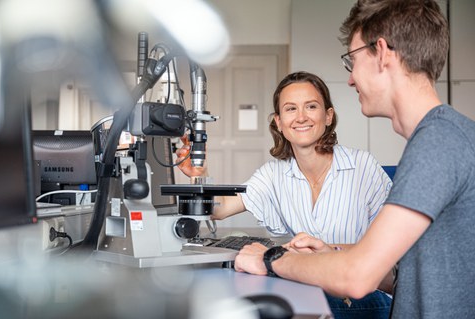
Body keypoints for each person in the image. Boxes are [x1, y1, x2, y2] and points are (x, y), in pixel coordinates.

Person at [234, 0, 475, 318]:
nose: (350, 79)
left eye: (352, 61)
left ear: (383, 54)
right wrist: (328, 253)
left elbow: (357, 278)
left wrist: (270, 258)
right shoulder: (444, 136)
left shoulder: (437, 143)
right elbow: (401, 275)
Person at [177, 71, 393, 318]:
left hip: (364, 291)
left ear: (328, 116)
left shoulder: (362, 166)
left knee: (265, 299)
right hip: (311, 284)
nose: (301, 117)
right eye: (290, 109)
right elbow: (220, 208)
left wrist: (321, 255)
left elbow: (391, 249)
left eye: (311, 106)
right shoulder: (273, 174)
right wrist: (198, 174)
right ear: (278, 122)